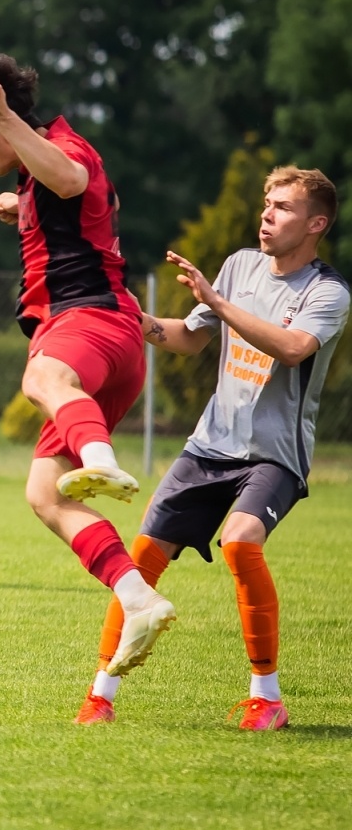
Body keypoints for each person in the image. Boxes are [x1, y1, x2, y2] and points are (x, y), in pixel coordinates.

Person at [0, 54, 174, 676]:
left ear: (5, 126)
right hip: (109, 342)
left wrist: (3, 116)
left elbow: (70, 180)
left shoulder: (65, 148)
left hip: (89, 325)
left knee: (41, 379)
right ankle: (137, 597)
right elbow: (60, 195)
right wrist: (21, 203)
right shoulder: (39, 169)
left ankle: (103, 462)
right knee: (42, 494)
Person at [75, 167, 347, 730]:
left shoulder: (330, 292)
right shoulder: (240, 265)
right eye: (267, 202)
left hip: (275, 455)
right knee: (141, 560)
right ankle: (99, 698)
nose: (268, 213)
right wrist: (134, 316)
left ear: (316, 223)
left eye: (284, 207)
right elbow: (187, 338)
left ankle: (266, 700)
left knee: (242, 543)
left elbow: (293, 349)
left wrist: (218, 304)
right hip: (209, 446)